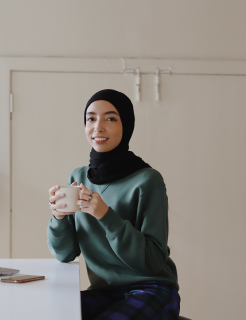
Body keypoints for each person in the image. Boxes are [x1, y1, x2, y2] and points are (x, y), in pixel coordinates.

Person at [47, 89, 180, 320]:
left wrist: (106, 216)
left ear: (126, 125)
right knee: (47, 312)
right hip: (104, 292)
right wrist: (58, 218)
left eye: (110, 118)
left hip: (152, 289)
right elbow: (65, 254)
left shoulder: (148, 180)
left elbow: (152, 261)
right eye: (91, 118)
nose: (98, 127)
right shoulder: (78, 177)